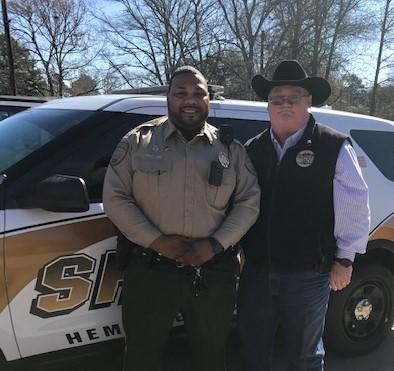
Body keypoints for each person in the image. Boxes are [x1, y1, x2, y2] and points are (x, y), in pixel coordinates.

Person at [103, 66, 260, 371]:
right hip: (150, 270)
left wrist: (216, 244)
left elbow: (248, 202)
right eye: (181, 93)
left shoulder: (231, 149)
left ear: (208, 98)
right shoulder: (138, 142)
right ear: (168, 97)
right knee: (141, 356)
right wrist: (157, 241)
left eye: (198, 93)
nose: (190, 100)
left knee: (212, 356)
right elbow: (115, 197)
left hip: (213, 272)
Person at [238, 60, 370, 371]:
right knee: (253, 350)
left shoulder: (333, 145)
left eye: (293, 97)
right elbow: (240, 203)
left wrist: (345, 259)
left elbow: (355, 202)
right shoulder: (252, 148)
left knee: (305, 356)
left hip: (308, 274)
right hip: (257, 270)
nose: (284, 103)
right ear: (268, 105)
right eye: (276, 98)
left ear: (308, 101)